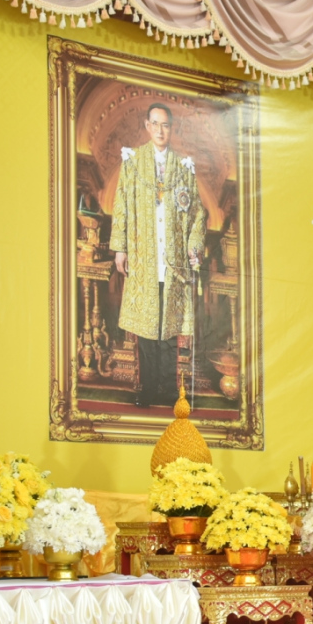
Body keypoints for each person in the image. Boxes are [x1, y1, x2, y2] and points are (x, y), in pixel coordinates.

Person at [110, 103, 205, 406]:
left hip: (174, 263)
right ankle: (149, 388)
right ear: (147, 126)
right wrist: (120, 248)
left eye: (165, 125)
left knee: (169, 329)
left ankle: (167, 389)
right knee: (148, 329)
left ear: (171, 128)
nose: (160, 130)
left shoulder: (183, 167)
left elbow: (197, 214)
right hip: (144, 259)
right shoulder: (133, 162)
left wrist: (193, 248)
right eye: (155, 124)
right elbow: (121, 205)